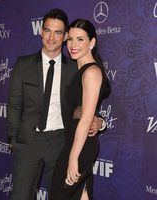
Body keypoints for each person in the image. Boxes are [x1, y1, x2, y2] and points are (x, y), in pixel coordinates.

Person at [7, 9, 106, 200]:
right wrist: (14, 139)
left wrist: (100, 122)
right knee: (20, 196)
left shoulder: (74, 66)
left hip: (62, 142)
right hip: (29, 142)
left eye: (58, 32)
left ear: (65, 37)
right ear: (40, 32)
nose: (52, 37)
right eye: (47, 30)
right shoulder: (23, 64)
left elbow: (86, 102)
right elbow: (13, 104)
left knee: (61, 196)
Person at [50, 19, 110, 200]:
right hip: (75, 140)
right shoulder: (78, 69)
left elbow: (85, 119)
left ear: (92, 42)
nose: (73, 45)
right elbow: (82, 110)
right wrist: (97, 119)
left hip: (79, 146)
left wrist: (73, 158)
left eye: (80, 39)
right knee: (81, 194)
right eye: (70, 39)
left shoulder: (91, 72)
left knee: (60, 194)